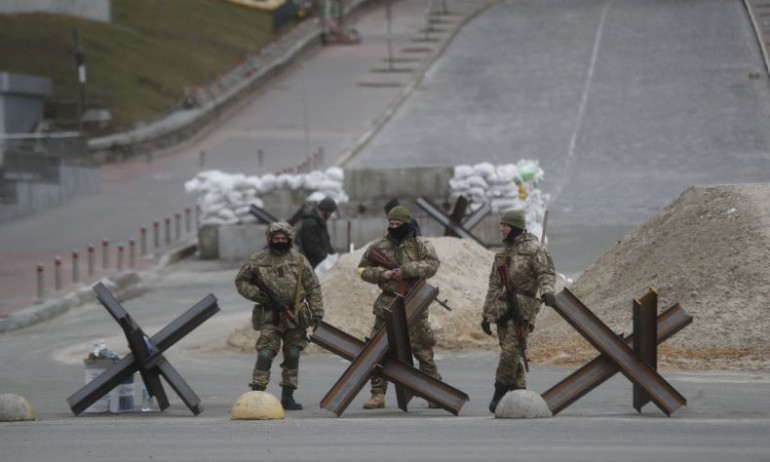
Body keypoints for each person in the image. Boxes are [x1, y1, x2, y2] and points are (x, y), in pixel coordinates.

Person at [357, 205, 441, 409]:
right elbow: (362, 269)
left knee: (422, 349)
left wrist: (407, 270)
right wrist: (382, 274)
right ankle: (378, 394)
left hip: (414, 303)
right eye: (391, 224)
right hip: (387, 304)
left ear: (407, 224)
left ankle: (434, 392)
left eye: (398, 224)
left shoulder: (420, 245)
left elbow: (433, 265)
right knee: (377, 350)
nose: (394, 227)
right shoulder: (378, 246)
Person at [235, 221, 324, 410]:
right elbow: (241, 281)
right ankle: (257, 393)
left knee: (292, 353)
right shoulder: (258, 259)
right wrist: (258, 295)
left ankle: (288, 396)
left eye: (284, 238)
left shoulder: (299, 259)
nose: (280, 241)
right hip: (270, 315)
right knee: (266, 353)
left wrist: (317, 312)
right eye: (276, 238)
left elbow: (313, 287)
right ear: (270, 239)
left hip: (295, 315)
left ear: (289, 239)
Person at [481, 209, 557, 413]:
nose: (501, 229)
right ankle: (519, 391)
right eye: (501, 225)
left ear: (515, 227)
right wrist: (487, 315)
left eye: (505, 225)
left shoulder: (534, 249)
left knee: (510, 351)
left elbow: (546, 272)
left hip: (523, 308)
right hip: (502, 309)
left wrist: (547, 291)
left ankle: (499, 391)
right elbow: (493, 286)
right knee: (511, 353)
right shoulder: (502, 255)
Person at [296, 197, 337, 268]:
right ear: (325, 211)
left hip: (319, 262)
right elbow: (312, 247)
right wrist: (326, 260)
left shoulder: (320, 221)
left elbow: (327, 243)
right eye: (330, 212)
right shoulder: (310, 222)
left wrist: (334, 256)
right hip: (312, 264)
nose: (331, 215)